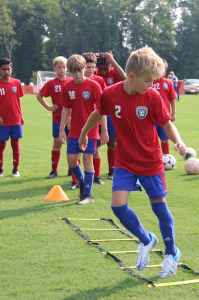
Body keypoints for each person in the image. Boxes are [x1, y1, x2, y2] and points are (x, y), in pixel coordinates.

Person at [78, 46, 187, 277]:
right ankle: (146, 239)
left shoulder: (152, 96)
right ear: (131, 76)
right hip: (125, 162)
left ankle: (171, 252)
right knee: (118, 206)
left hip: (150, 162)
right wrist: (84, 132)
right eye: (148, 80)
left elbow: (167, 123)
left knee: (159, 208)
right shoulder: (110, 94)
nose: (152, 85)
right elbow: (99, 113)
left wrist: (178, 142)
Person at [58, 54, 103, 205]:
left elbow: (102, 110)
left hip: (91, 130)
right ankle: (83, 182)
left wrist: (105, 131)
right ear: (69, 72)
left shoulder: (93, 86)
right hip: (74, 131)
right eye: (74, 72)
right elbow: (65, 108)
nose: (77, 74)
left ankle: (88, 195)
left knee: (87, 159)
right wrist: (62, 128)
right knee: (71, 160)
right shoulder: (67, 87)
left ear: (85, 68)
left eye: (80, 71)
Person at [36, 56, 72, 178]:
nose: (62, 70)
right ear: (54, 68)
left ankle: (71, 170)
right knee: (57, 143)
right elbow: (39, 96)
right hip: (57, 118)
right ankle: (54, 170)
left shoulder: (71, 82)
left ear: (67, 68)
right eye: (59, 67)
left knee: (71, 143)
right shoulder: (51, 83)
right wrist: (49, 107)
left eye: (64, 67)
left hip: (71, 119)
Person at [94, 51, 126, 180]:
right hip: (98, 113)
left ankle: (112, 171)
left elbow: (124, 77)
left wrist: (112, 60)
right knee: (96, 144)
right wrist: (89, 58)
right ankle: (95, 173)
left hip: (113, 113)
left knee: (112, 142)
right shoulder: (94, 73)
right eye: (100, 69)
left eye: (105, 69)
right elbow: (82, 71)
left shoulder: (114, 72)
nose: (102, 72)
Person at [0, 58, 24, 178]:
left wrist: (21, 116)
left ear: (11, 69)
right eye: (3, 69)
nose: (6, 72)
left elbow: (17, 101)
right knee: (2, 144)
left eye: (8, 69)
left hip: (15, 119)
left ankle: (15, 170)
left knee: (16, 144)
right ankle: (0, 170)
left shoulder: (17, 83)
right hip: (3, 121)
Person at [83, 52, 109, 184]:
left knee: (96, 150)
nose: (91, 70)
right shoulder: (74, 81)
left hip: (95, 123)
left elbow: (102, 106)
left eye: (93, 67)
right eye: (88, 66)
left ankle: (96, 176)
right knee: (77, 151)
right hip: (79, 122)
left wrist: (104, 129)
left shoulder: (99, 81)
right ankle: (76, 179)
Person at [152, 58, 177, 155]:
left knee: (165, 139)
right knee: (152, 140)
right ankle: (153, 159)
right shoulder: (150, 82)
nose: (163, 72)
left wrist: (173, 113)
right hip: (151, 117)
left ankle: (166, 158)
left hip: (164, 117)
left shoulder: (168, 82)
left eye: (164, 70)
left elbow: (173, 98)